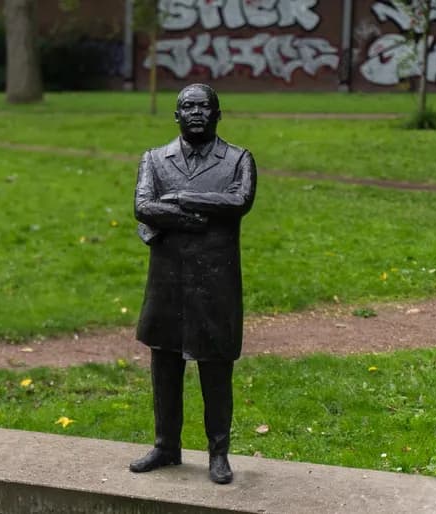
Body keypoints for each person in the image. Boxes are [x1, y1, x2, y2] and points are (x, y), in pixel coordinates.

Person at [131, 83, 257, 485]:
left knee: (215, 370)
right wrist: (188, 216)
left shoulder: (238, 159)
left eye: (205, 107)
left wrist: (183, 196)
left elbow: (239, 201)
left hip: (215, 283)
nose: (197, 113)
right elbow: (142, 206)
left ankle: (218, 453)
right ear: (176, 115)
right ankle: (166, 445)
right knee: (164, 366)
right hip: (167, 284)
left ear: (218, 114)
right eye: (188, 107)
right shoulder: (154, 159)